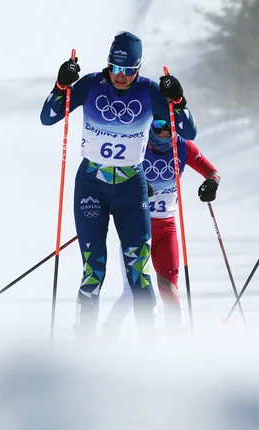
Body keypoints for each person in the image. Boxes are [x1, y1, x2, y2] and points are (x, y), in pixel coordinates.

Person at [39, 31, 198, 340]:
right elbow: (48, 117)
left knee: (138, 270)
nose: (121, 76)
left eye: (128, 70)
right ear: (108, 64)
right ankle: (83, 343)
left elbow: (188, 131)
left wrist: (178, 100)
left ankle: (148, 347)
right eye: (115, 67)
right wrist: (61, 86)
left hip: (131, 188)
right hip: (91, 186)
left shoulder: (150, 91)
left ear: (138, 68)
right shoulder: (91, 84)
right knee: (93, 270)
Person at [102, 117, 219, 338]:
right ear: (150, 125)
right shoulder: (137, 144)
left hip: (167, 227)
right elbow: (109, 176)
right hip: (136, 226)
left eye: (170, 126)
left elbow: (213, 173)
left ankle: (180, 344)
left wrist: (211, 184)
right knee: (133, 293)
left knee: (169, 290)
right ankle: (107, 336)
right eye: (159, 126)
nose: (165, 131)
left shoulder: (182, 146)